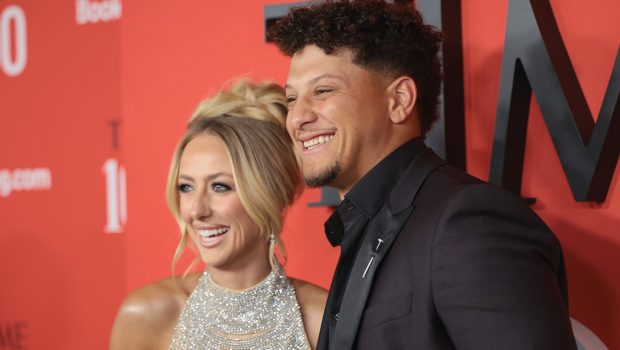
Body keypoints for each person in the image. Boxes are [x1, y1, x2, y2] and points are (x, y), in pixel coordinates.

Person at [269, 1, 577, 349]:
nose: (297, 118)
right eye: (291, 99)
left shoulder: (467, 222)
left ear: (399, 99)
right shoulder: (365, 227)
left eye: (322, 91)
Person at [109, 80, 327, 349]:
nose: (196, 210)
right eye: (186, 187)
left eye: (219, 186)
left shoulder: (321, 320)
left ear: (270, 194)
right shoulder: (146, 316)